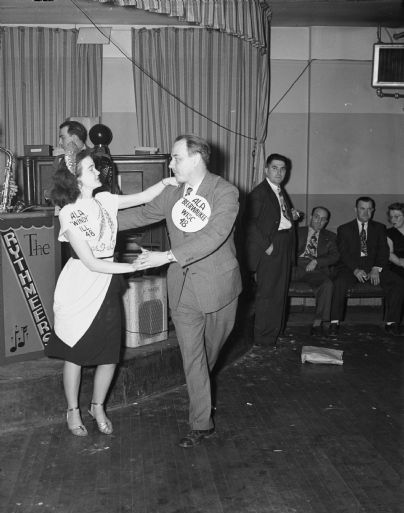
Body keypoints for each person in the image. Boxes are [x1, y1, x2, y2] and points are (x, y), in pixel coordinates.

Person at [118, 134, 242, 448]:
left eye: (176, 157)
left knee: (207, 357)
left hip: (218, 290)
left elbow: (214, 235)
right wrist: (93, 222)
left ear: (197, 157)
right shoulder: (173, 192)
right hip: (182, 288)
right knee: (193, 358)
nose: (170, 164)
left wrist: (168, 256)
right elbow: (143, 215)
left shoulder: (225, 192)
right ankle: (201, 424)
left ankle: (201, 392)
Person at [45, 148, 177, 436]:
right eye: (91, 168)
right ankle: (72, 409)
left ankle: (98, 406)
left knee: (108, 353)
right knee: (75, 351)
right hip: (82, 283)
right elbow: (91, 263)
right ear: (76, 179)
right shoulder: (69, 213)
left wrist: (166, 183)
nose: (98, 172)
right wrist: (133, 267)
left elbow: (142, 198)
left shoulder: (105, 199)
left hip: (108, 283)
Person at [245, 153, 300, 348]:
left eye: (283, 169)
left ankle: (274, 333)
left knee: (279, 292)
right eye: (275, 168)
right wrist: (266, 245)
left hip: (284, 244)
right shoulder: (260, 192)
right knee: (268, 294)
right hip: (271, 246)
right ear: (266, 170)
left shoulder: (279, 190)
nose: (279, 172)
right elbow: (249, 223)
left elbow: (275, 217)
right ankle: (264, 338)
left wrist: (290, 216)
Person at [329, 196, 404, 337]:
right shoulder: (344, 229)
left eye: (369, 209)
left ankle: (391, 323)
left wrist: (376, 268)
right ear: (355, 209)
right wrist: (355, 269)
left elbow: (384, 251)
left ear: (373, 210)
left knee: (398, 283)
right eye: (362, 208)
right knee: (339, 283)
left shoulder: (380, 228)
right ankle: (334, 322)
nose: (366, 212)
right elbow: (343, 254)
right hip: (350, 268)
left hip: (374, 268)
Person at [292, 206, 339, 336]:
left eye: (323, 219)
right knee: (276, 278)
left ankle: (318, 323)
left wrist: (317, 261)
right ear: (311, 217)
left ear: (326, 222)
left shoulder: (331, 236)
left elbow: (335, 256)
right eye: (317, 217)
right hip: (295, 266)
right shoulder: (297, 231)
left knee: (327, 284)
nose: (319, 221)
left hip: (315, 269)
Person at [387, 202, 404, 279]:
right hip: (397, 266)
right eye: (391, 217)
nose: (393, 220)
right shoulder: (389, 233)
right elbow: (389, 254)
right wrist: (400, 262)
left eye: (396, 217)